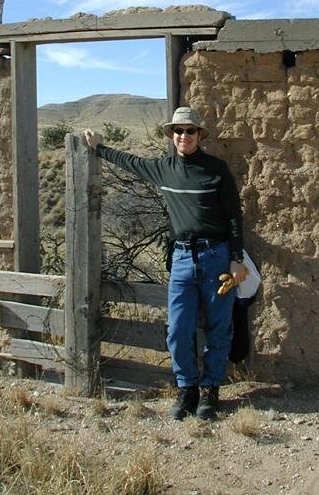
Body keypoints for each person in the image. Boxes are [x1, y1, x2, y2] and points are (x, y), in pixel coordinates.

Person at [84, 106, 246, 420]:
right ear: (171, 135)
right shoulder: (164, 168)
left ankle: (211, 391)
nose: (183, 136)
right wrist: (99, 148)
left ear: (199, 135)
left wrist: (236, 259)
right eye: (178, 131)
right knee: (177, 328)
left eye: (189, 131)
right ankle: (188, 390)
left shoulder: (216, 169)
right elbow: (131, 162)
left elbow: (234, 217)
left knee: (219, 327)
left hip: (217, 258)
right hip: (182, 258)